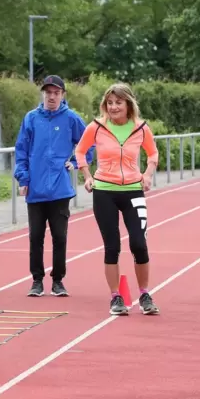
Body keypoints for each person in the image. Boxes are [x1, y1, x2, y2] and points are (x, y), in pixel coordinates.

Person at [74, 82, 160, 316]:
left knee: (139, 245)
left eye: (118, 103)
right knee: (112, 246)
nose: (113, 107)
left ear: (128, 104)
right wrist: (87, 175)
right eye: (110, 103)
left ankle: (144, 294)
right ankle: (116, 297)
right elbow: (80, 151)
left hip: (133, 191)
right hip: (104, 192)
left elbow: (153, 153)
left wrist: (148, 175)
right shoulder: (96, 127)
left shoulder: (141, 128)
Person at [14, 75, 93, 298]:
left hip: (60, 190)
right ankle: (36, 281)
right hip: (36, 190)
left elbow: (88, 143)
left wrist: (76, 162)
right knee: (35, 237)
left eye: (56, 93)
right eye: (48, 92)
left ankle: (58, 280)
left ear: (62, 95)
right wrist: (23, 179)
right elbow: (21, 151)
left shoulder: (71, 119)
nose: (51, 96)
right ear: (43, 94)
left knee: (60, 237)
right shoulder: (31, 119)